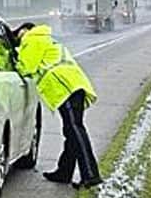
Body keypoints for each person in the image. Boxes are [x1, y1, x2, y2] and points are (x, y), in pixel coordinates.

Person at [12, 22, 100, 188]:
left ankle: (90, 174)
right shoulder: (46, 38)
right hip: (73, 85)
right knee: (71, 130)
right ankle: (64, 172)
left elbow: (25, 68)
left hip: (64, 87)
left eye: (18, 33)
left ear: (26, 30)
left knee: (75, 130)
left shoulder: (32, 39)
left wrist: (14, 58)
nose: (19, 37)